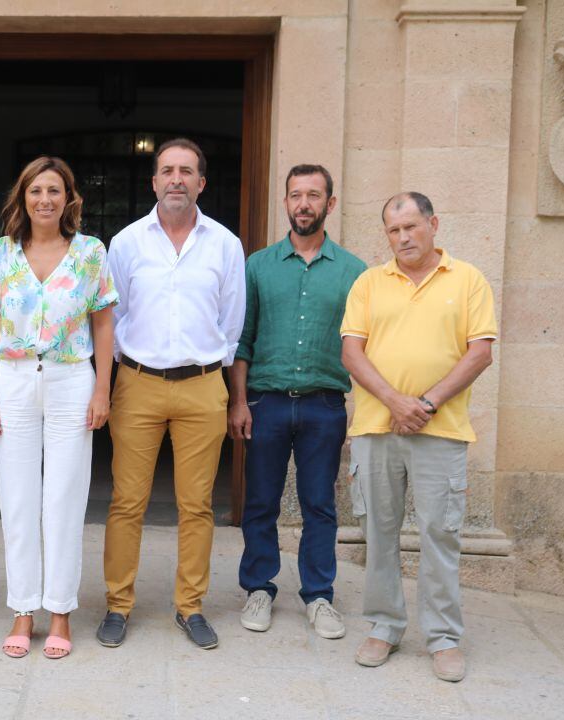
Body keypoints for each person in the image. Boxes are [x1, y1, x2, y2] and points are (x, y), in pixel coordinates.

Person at [341, 192, 496, 683]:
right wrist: (395, 402)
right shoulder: (369, 283)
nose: (403, 237)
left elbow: (479, 353)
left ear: (433, 224)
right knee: (378, 534)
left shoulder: (468, 280)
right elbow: (352, 352)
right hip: (377, 426)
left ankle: (444, 637)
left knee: (440, 534)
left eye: (411, 227)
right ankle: (384, 627)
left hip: (441, 430)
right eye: (393, 230)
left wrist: (424, 404)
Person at [99, 138, 245, 650]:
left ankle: (191, 606)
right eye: (167, 170)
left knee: (197, 504)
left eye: (187, 171)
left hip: (204, 386)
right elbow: (110, 319)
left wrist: (213, 368)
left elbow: (232, 321)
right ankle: (118, 604)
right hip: (136, 384)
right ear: (154, 181)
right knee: (127, 501)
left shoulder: (225, 244)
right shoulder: (126, 243)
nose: (176, 179)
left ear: (201, 182)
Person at [0, 156, 118, 659]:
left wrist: (103, 389)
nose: (44, 199)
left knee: (63, 499)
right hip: (13, 381)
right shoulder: (2, 252)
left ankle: (59, 610)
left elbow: (104, 324)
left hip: (70, 382)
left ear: (68, 198)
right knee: (17, 500)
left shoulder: (90, 253)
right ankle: (22, 608)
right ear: (23, 197)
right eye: (36, 191)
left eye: (54, 191)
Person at [229, 164, 367, 639]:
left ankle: (319, 596)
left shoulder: (354, 272)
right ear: (285, 203)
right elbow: (242, 341)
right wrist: (239, 402)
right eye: (295, 196)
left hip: (324, 405)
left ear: (330, 204)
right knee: (260, 502)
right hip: (265, 403)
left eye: (313, 196)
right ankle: (259, 587)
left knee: (320, 505)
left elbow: (363, 345)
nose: (303, 204)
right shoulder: (258, 265)